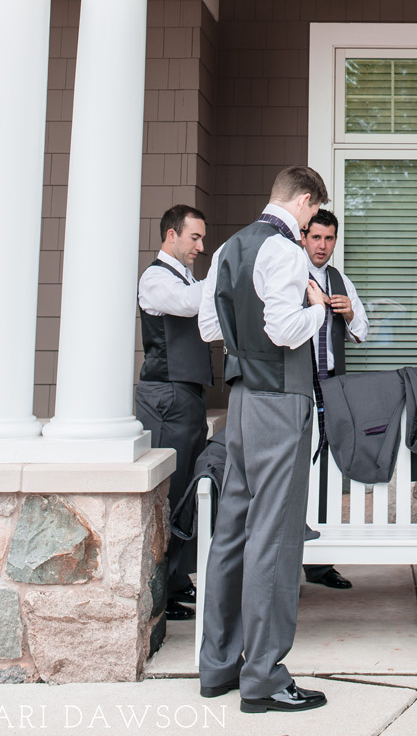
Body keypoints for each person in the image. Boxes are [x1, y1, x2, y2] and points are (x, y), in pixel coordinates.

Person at [197, 165, 330, 716]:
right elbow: (282, 328)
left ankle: (218, 666)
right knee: (275, 535)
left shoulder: (229, 246)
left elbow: (209, 327)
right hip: (280, 397)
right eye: (312, 214)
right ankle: (264, 677)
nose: (311, 227)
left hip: (242, 402)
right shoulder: (285, 251)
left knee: (232, 530)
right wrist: (318, 308)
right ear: (302, 201)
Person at [135, 204, 211, 622]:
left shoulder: (187, 278)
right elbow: (185, 305)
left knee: (184, 492)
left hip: (188, 396)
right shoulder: (156, 278)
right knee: (169, 491)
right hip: (166, 396)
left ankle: (178, 580)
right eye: (194, 237)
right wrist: (222, 274)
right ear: (171, 236)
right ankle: (161, 590)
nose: (200, 246)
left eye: (202, 238)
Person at [300, 207, 368, 590]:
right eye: (316, 238)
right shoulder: (291, 276)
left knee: (326, 470)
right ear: (304, 237)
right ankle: (292, 551)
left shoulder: (341, 280)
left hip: (333, 384)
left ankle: (321, 566)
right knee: (296, 469)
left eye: (329, 239)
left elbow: (364, 331)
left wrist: (349, 311)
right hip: (299, 382)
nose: (322, 246)